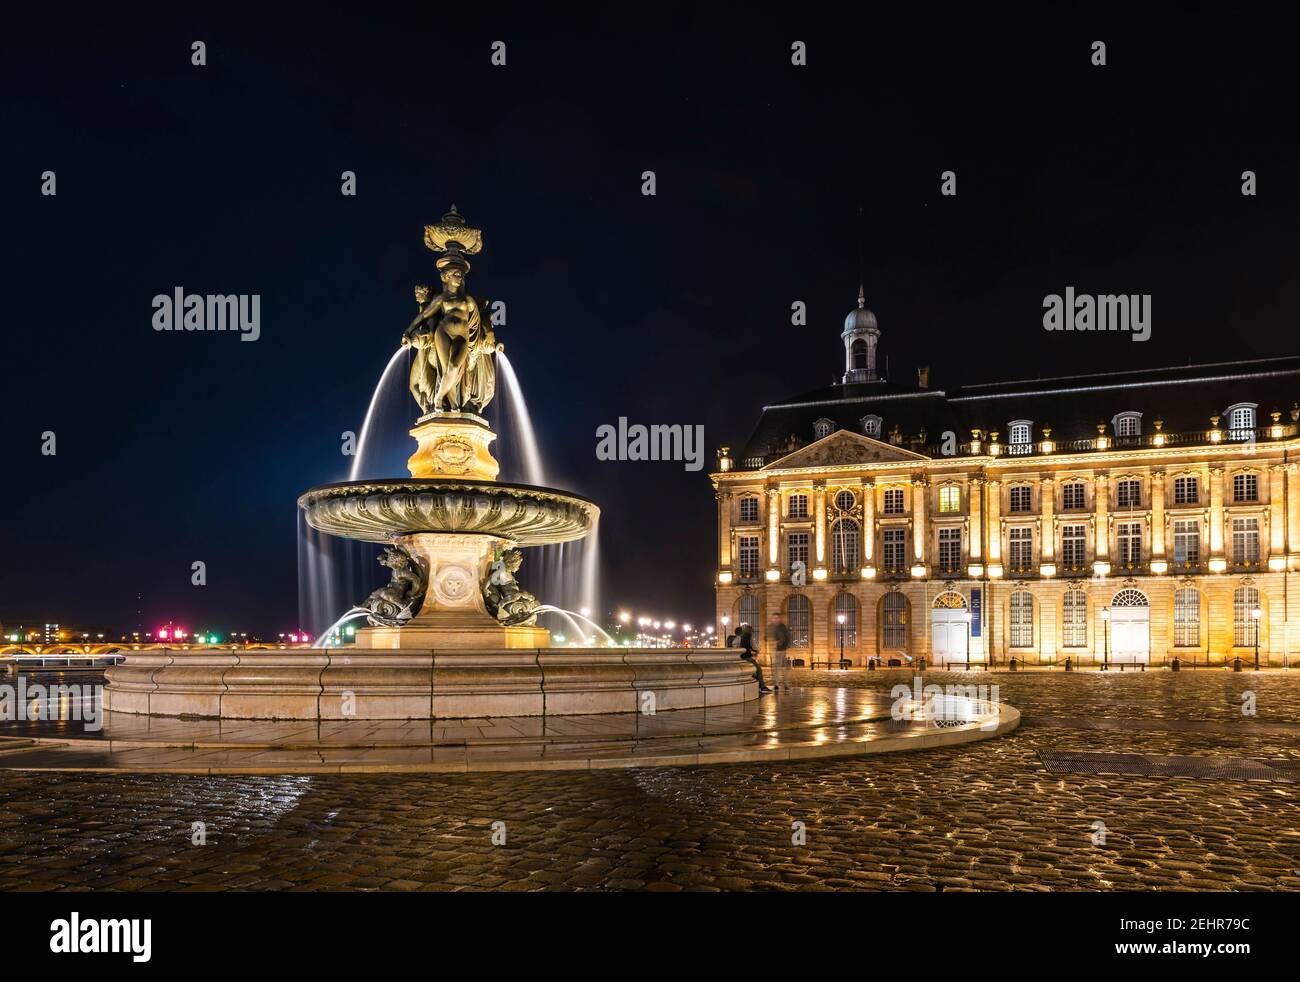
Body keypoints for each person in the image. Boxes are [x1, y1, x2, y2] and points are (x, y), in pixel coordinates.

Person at [736, 623, 771, 693]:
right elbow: (754, 647)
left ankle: (758, 685)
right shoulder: (749, 636)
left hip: (740, 658)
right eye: (752, 631)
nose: (752, 632)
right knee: (759, 670)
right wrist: (757, 650)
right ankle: (762, 687)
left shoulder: (741, 637)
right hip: (747, 657)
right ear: (750, 631)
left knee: (753, 672)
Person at [768, 613, 792, 690]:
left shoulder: (781, 627)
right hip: (777, 649)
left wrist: (780, 642)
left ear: (779, 619)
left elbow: (786, 637)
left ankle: (783, 684)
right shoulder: (774, 627)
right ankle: (779, 684)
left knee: (780, 667)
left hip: (780, 649)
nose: (775, 620)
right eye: (774, 618)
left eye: (776, 618)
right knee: (778, 668)